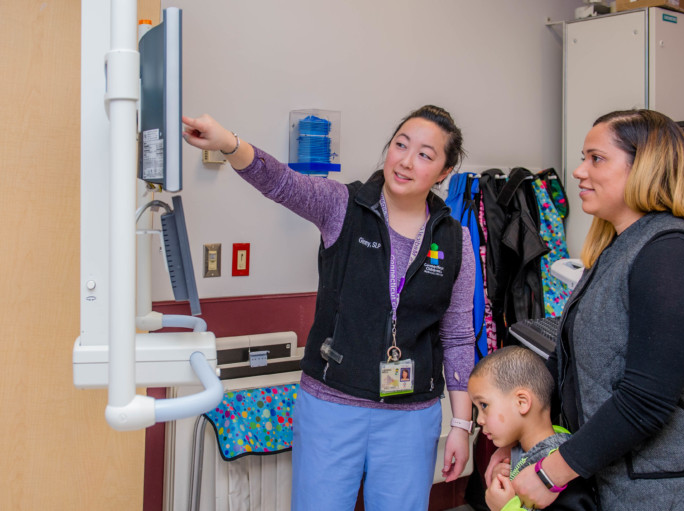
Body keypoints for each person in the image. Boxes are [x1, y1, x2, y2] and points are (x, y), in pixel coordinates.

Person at [182, 105, 476, 511]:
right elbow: (282, 183)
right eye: (400, 144)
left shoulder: (455, 240)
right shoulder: (343, 205)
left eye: (425, 154)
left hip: (411, 418)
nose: (406, 161)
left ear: (444, 173)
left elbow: (458, 336)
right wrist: (228, 144)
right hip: (331, 408)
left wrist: (461, 425)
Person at [486, 109, 684, 510]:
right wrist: (523, 440)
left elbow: (645, 400)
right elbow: (581, 372)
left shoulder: (673, 254)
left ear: (645, 168)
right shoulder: (619, 250)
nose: (580, 171)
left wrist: (550, 471)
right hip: (640, 488)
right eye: (584, 157)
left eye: (596, 159)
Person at [468, 346, 596, 511]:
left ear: (522, 402)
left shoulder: (561, 470)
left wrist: (506, 507)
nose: (479, 419)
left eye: (484, 405)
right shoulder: (524, 451)